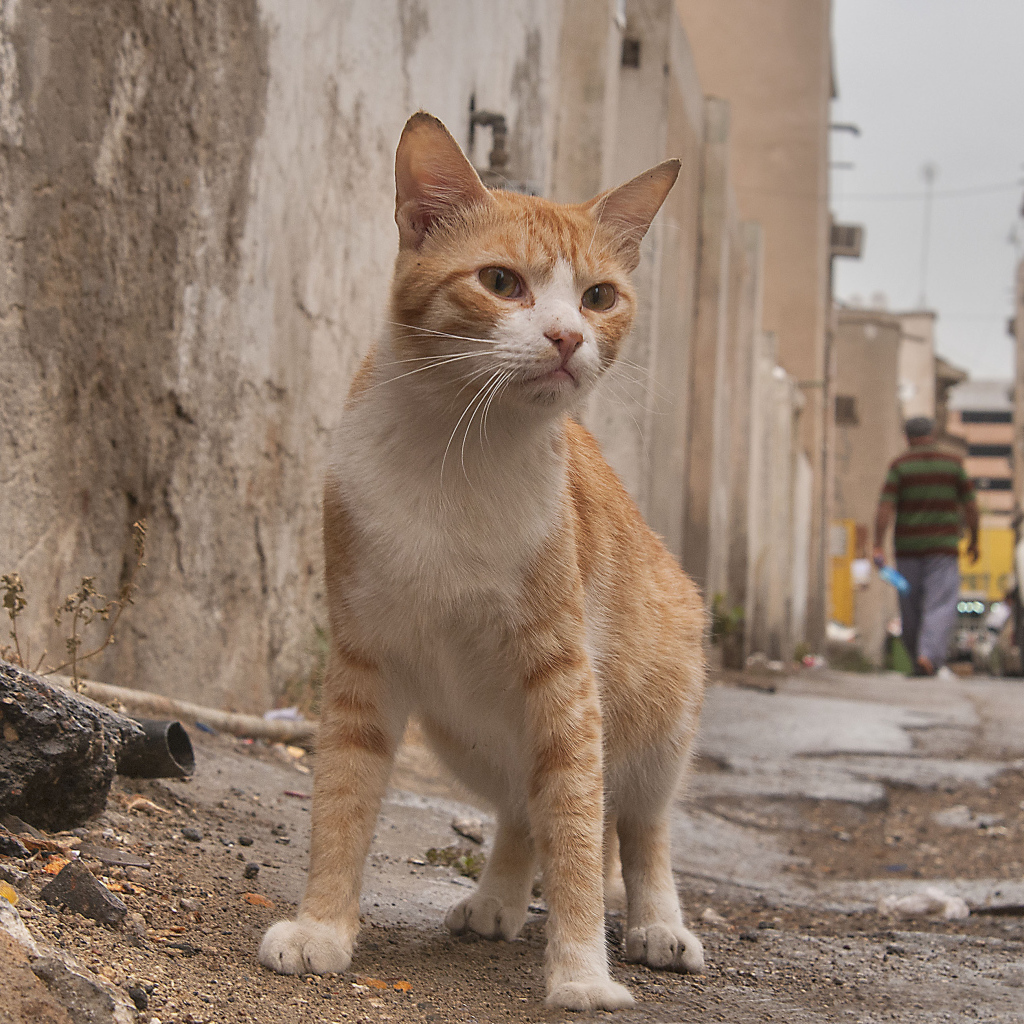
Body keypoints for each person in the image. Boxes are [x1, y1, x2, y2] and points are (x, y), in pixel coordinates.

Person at [873, 416, 979, 676]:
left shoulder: (900, 466)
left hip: (908, 548)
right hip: (943, 549)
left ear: (907, 437)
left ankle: (920, 658)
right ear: (933, 433)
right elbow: (971, 505)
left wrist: (878, 544)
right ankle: (927, 656)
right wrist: (975, 539)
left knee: (910, 606)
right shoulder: (953, 465)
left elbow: (885, 506)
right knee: (940, 604)